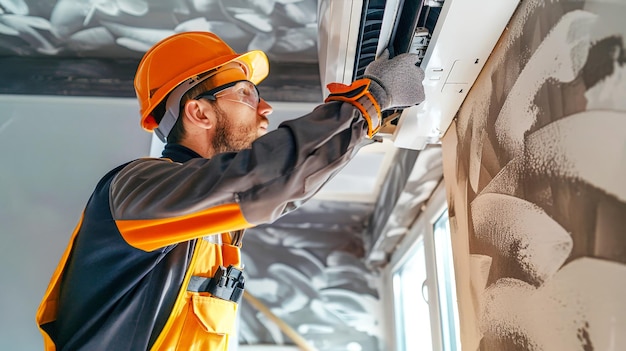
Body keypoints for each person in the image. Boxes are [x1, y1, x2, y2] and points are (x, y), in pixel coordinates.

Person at [35, 31, 425, 351]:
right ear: (199, 112)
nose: (266, 108)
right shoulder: (138, 189)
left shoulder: (208, 222)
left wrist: (362, 122)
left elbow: (285, 189)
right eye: (248, 93)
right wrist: (366, 103)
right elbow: (265, 180)